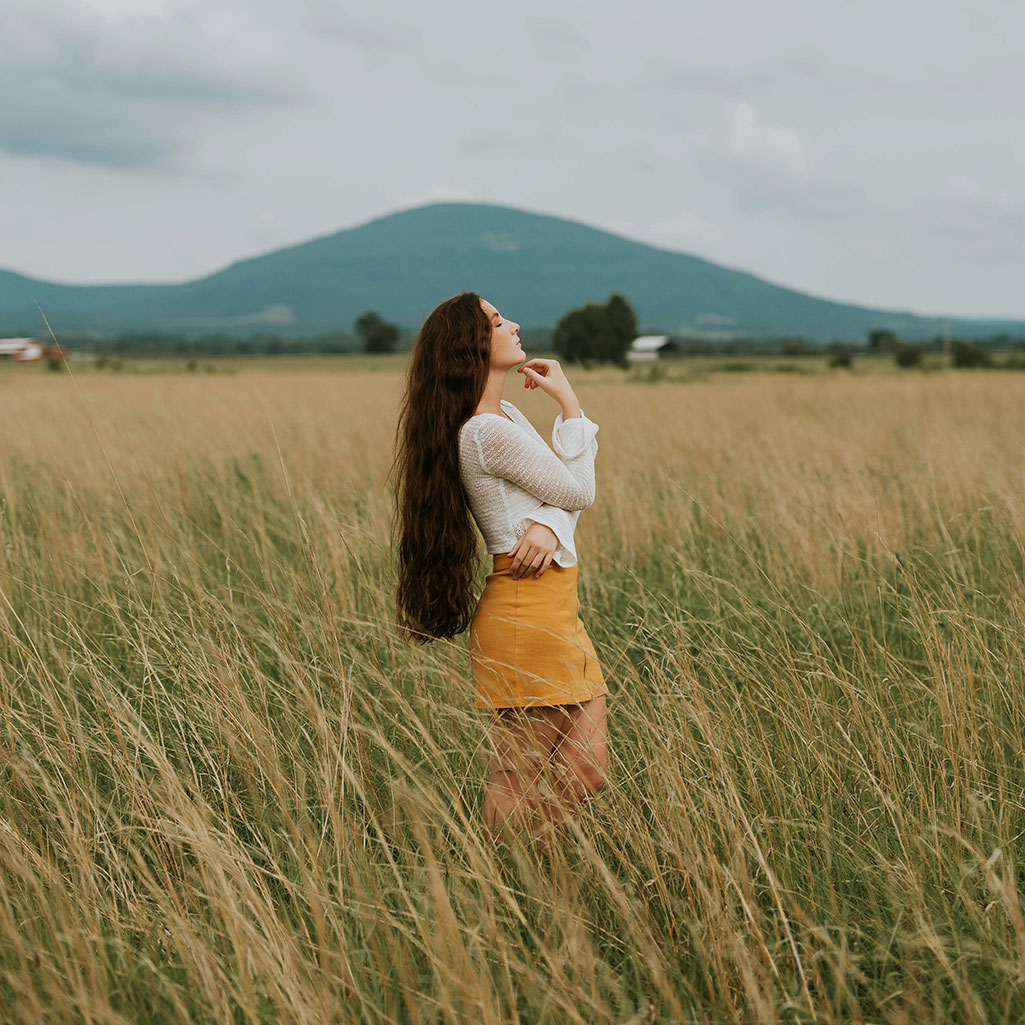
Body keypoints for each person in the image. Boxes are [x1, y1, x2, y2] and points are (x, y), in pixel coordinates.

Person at [393, 290, 608, 843]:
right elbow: (578, 490)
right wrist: (571, 408)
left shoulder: (506, 415)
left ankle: (541, 871)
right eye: (495, 320)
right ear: (471, 343)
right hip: (523, 610)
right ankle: (498, 881)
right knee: (517, 777)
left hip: (558, 608)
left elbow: (561, 502)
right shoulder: (485, 433)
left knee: (587, 771)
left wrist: (550, 525)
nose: (512, 324)